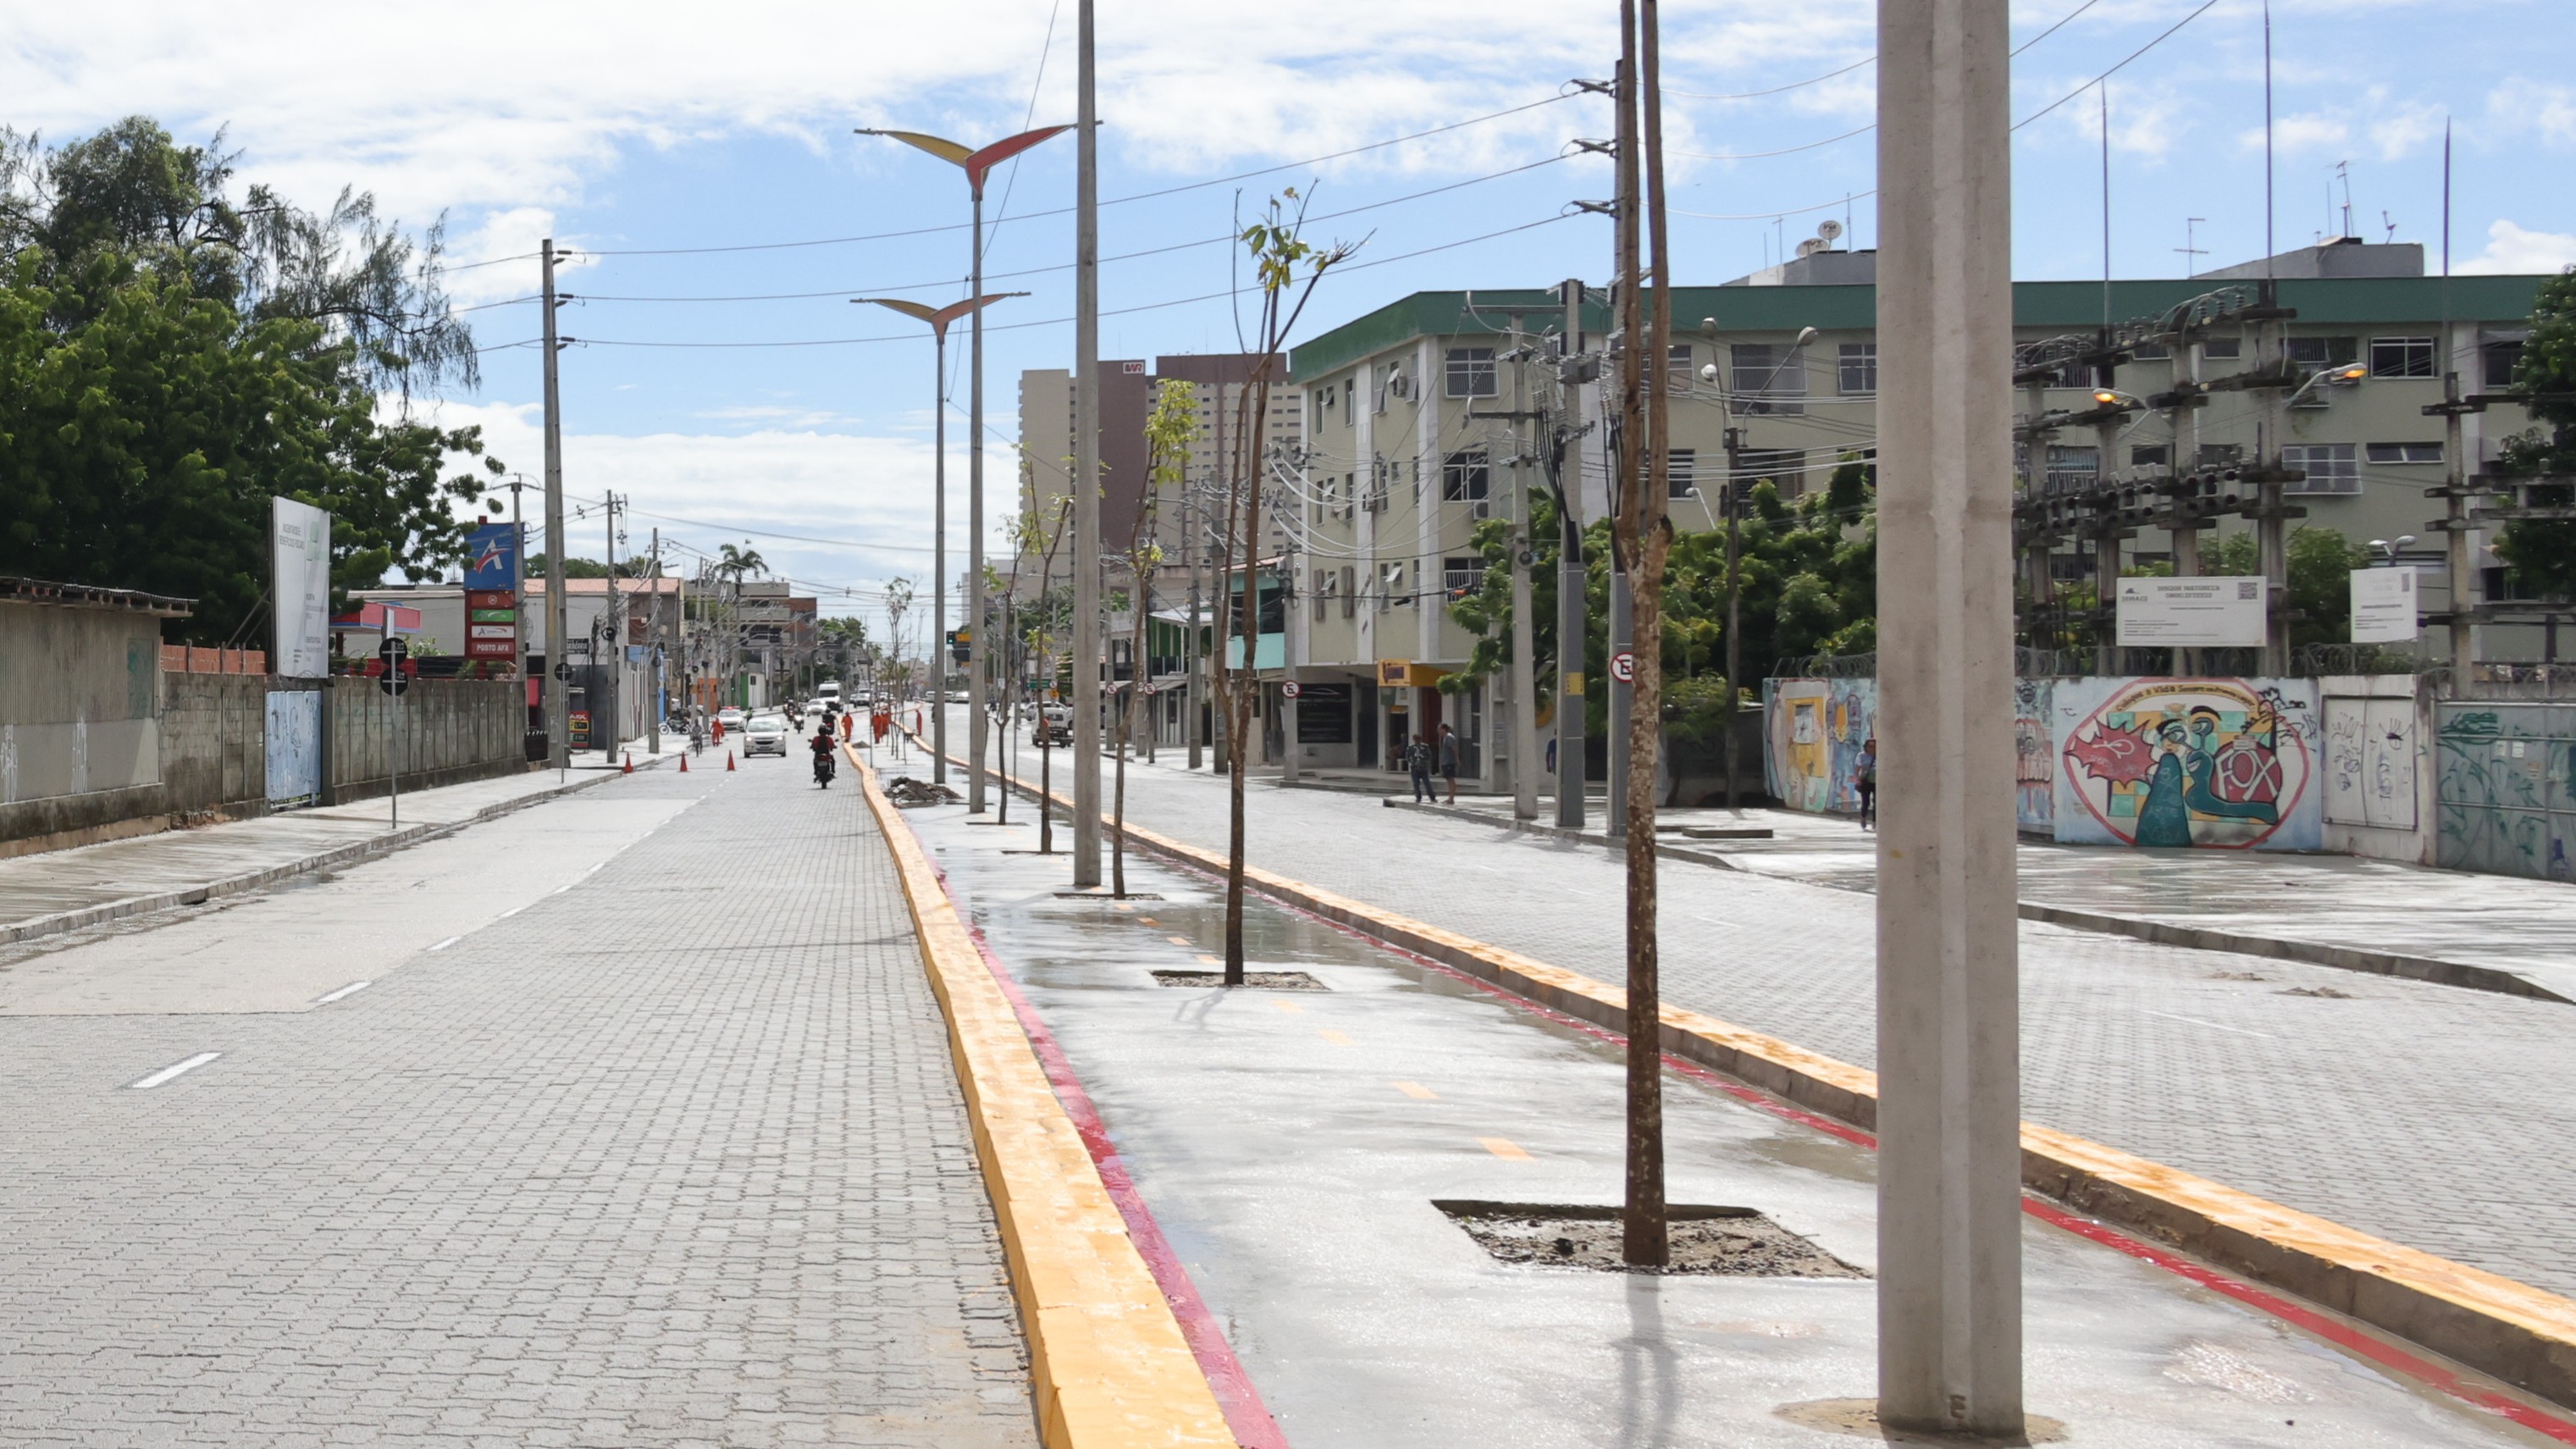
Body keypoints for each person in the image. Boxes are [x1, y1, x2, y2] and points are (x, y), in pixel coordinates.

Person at [1855, 737, 1878, 829]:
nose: (1872, 748)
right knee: (1866, 802)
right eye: (1870, 746)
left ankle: (1875, 821)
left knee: (1877, 802)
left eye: (1874, 746)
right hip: (1866, 781)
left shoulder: (1879, 755)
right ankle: (1863, 817)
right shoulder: (1861, 756)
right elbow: (1857, 768)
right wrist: (1858, 779)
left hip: (1877, 782)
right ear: (1866, 747)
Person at [1437, 723, 1461, 805]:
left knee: (1451, 780)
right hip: (1446, 762)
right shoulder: (1445, 738)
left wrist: (1457, 759)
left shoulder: (1449, 737)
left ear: (1443, 729)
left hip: (1449, 762)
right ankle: (1450, 797)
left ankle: (1451, 798)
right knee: (1448, 779)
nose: (1438, 731)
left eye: (1439, 729)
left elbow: (1454, 749)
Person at [1407, 733, 1433, 805]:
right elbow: (1408, 757)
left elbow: (1429, 756)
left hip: (1423, 768)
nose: (1417, 741)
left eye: (1418, 739)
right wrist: (1413, 761)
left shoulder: (1425, 747)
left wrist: (1422, 758)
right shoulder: (1410, 748)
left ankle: (1432, 797)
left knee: (1427, 783)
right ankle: (1418, 797)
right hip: (1415, 768)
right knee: (1416, 784)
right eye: (1416, 739)